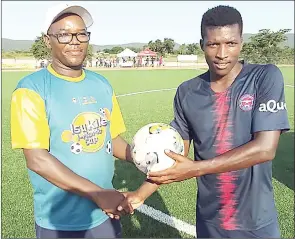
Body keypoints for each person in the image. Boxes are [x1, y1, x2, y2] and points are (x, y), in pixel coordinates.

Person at [121, 5, 290, 238]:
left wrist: (195, 169)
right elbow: (173, 155)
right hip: (209, 221)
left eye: (230, 43)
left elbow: (265, 149)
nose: (222, 53)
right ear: (202, 45)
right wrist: (139, 194)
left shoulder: (264, 77)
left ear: (241, 43)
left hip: (256, 222)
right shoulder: (187, 92)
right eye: (213, 44)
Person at [10, 3, 156, 238]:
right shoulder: (31, 90)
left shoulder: (101, 84)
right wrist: (97, 193)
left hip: (104, 214)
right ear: (48, 40)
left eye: (81, 34)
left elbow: (111, 137)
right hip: (60, 221)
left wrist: (143, 158)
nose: (75, 41)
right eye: (65, 34)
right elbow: (37, 159)